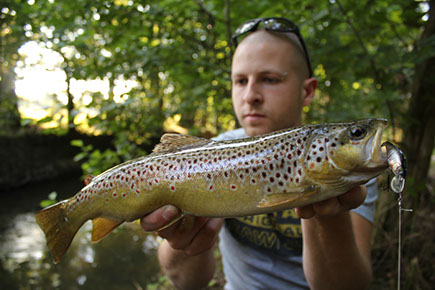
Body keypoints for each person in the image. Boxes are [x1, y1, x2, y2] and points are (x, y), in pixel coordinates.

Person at [140, 17, 376, 289]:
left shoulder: (349, 160)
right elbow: (186, 282)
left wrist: (328, 210)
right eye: (240, 81)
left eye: (270, 79)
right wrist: (183, 236)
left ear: (307, 91)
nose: (250, 95)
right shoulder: (214, 153)